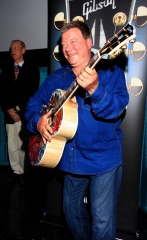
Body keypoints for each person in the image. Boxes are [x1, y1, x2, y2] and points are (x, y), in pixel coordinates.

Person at [25, 21, 129, 240]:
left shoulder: (110, 71)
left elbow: (117, 108)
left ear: (89, 43)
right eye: (63, 44)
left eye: (73, 41)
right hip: (71, 159)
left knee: (101, 221)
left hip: (103, 160)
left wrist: (95, 89)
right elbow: (33, 105)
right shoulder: (57, 78)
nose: (67, 48)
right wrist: (38, 121)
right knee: (71, 213)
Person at [0, 40, 40, 184]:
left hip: (24, 114)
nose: (13, 50)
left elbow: (32, 92)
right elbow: (2, 93)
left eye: (16, 48)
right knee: (11, 144)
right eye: (11, 48)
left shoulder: (32, 69)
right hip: (9, 114)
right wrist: (9, 109)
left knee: (23, 143)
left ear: (23, 50)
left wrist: (18, 109)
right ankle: (15, 172)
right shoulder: (5, 69)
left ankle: (24, 172)